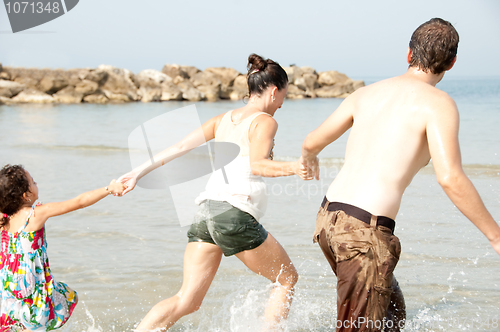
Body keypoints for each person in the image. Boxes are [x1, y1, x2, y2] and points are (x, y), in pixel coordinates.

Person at [301, 18, 500, 332]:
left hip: (328, 218)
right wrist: (495, 236)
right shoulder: (439, 104)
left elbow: (311, 141)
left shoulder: (365, 94)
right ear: (452, 62)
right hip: (363, 235)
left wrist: (308, 159)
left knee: (393, 315)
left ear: (408, 54)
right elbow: (450, 177)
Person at [118, 54, 308, 331]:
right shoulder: (265, 121)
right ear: (274, 90)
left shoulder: (222, 119)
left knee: (187, 300)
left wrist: (136, 173)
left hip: (206, 211)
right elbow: (259, 165)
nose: (281, 104)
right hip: (233, 214)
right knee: (286, 279)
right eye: (284, 97)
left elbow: (179, 147)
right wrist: (296, 167)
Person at [0, 164, 125, 332]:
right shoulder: (35, 215)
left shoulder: (4, 219)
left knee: (20, 318)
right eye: (34, 182)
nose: (37, 184)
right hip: (31, 284)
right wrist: (109, 189)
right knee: (66, 298)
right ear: (25, 195)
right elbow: (79, 202)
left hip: (9, 285)